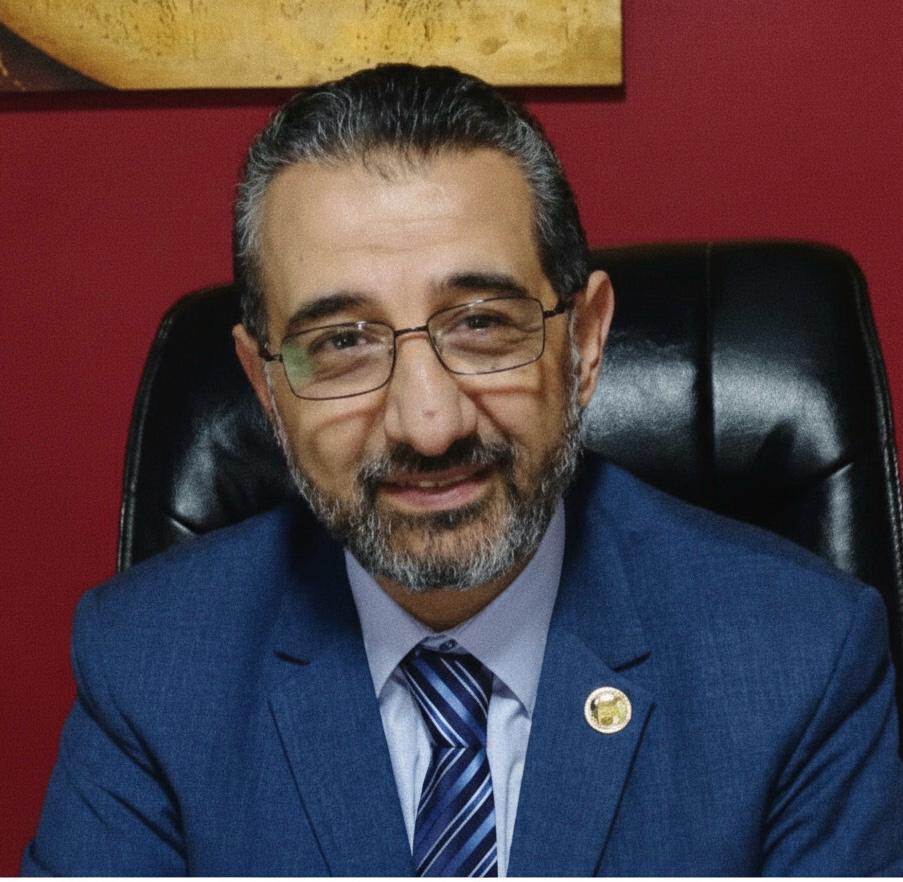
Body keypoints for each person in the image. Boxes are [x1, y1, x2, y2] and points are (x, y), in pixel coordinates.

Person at [23, 63, 903, 876]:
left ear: (585, 343)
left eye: (481, 324)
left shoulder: (799, 659)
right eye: (342, 343)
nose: (430, 424)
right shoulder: (149, 667)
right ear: (265, 385)